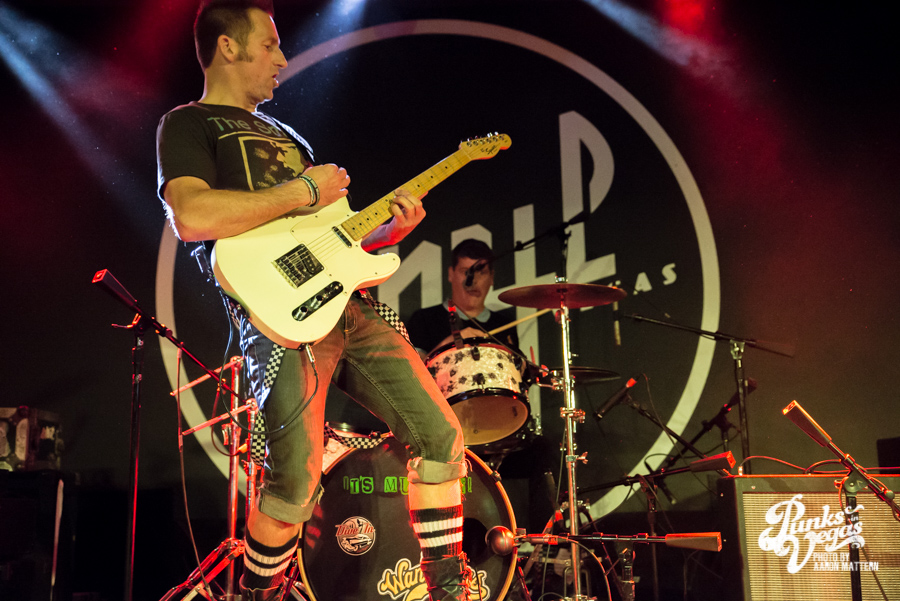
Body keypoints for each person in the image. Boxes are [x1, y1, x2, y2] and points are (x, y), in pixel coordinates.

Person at [156, 2, 472, 599]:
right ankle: (256, 594)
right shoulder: (189, 124)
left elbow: (329, 240)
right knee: (294, 485)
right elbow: (192, 216)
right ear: (228, 47)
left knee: (441, 436)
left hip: (348, 306)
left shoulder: (287, 136)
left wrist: (387, 233)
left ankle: (451, 589)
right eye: (270, 45)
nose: (282, 58)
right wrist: (304, 188)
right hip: (279, 324)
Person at [406, 240, 559, 535]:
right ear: (451, 273)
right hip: (444, 427)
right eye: (466, 271)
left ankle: (540, 547)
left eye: (481, 272)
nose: (472, 280)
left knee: (541, 451)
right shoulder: (425, 320)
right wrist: (453, 341)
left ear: (491, 278)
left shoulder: (504, 323)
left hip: (498, 426)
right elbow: (413, 370)